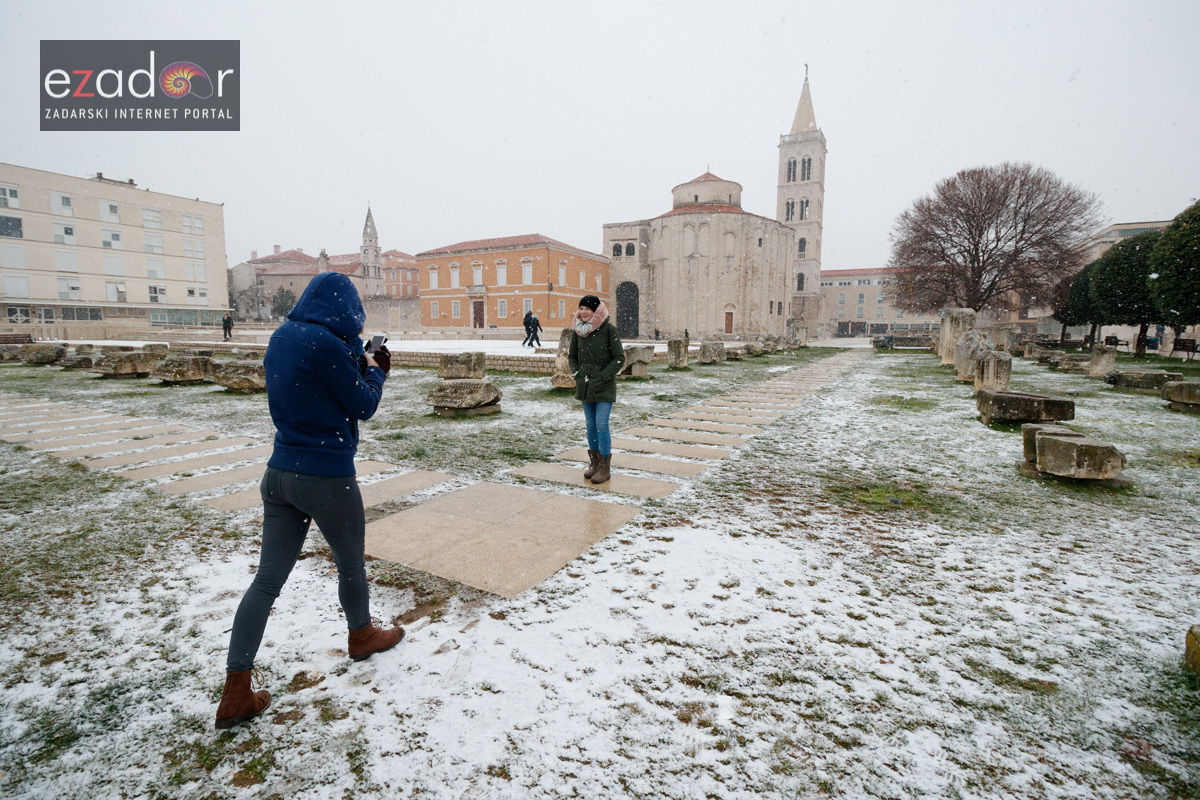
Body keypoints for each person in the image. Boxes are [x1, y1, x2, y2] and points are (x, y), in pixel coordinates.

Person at [216, 272, 403, 730]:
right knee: (351, 564)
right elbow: (361, 405)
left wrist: (355, 362)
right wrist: (376, 371)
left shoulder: (284, 336)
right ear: (346, 309)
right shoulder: (327, 344)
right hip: (326, 475)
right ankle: (361, 635)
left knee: (266, 582)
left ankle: (236, 688)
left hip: (279, 473)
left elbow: (314, 387)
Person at [568, 295, 624, 484]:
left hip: (604, 385)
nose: (583, 312)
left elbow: (618, 358)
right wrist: (578, 372)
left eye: (587, 308)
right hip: (585, 384)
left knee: (601, 424)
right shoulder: (577, 331)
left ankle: (605, 468)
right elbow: (572, 356)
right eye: (581, 308)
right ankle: (595, 463)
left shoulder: (609, 329)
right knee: (590, 426)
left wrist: (603, 376)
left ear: (595, 311)